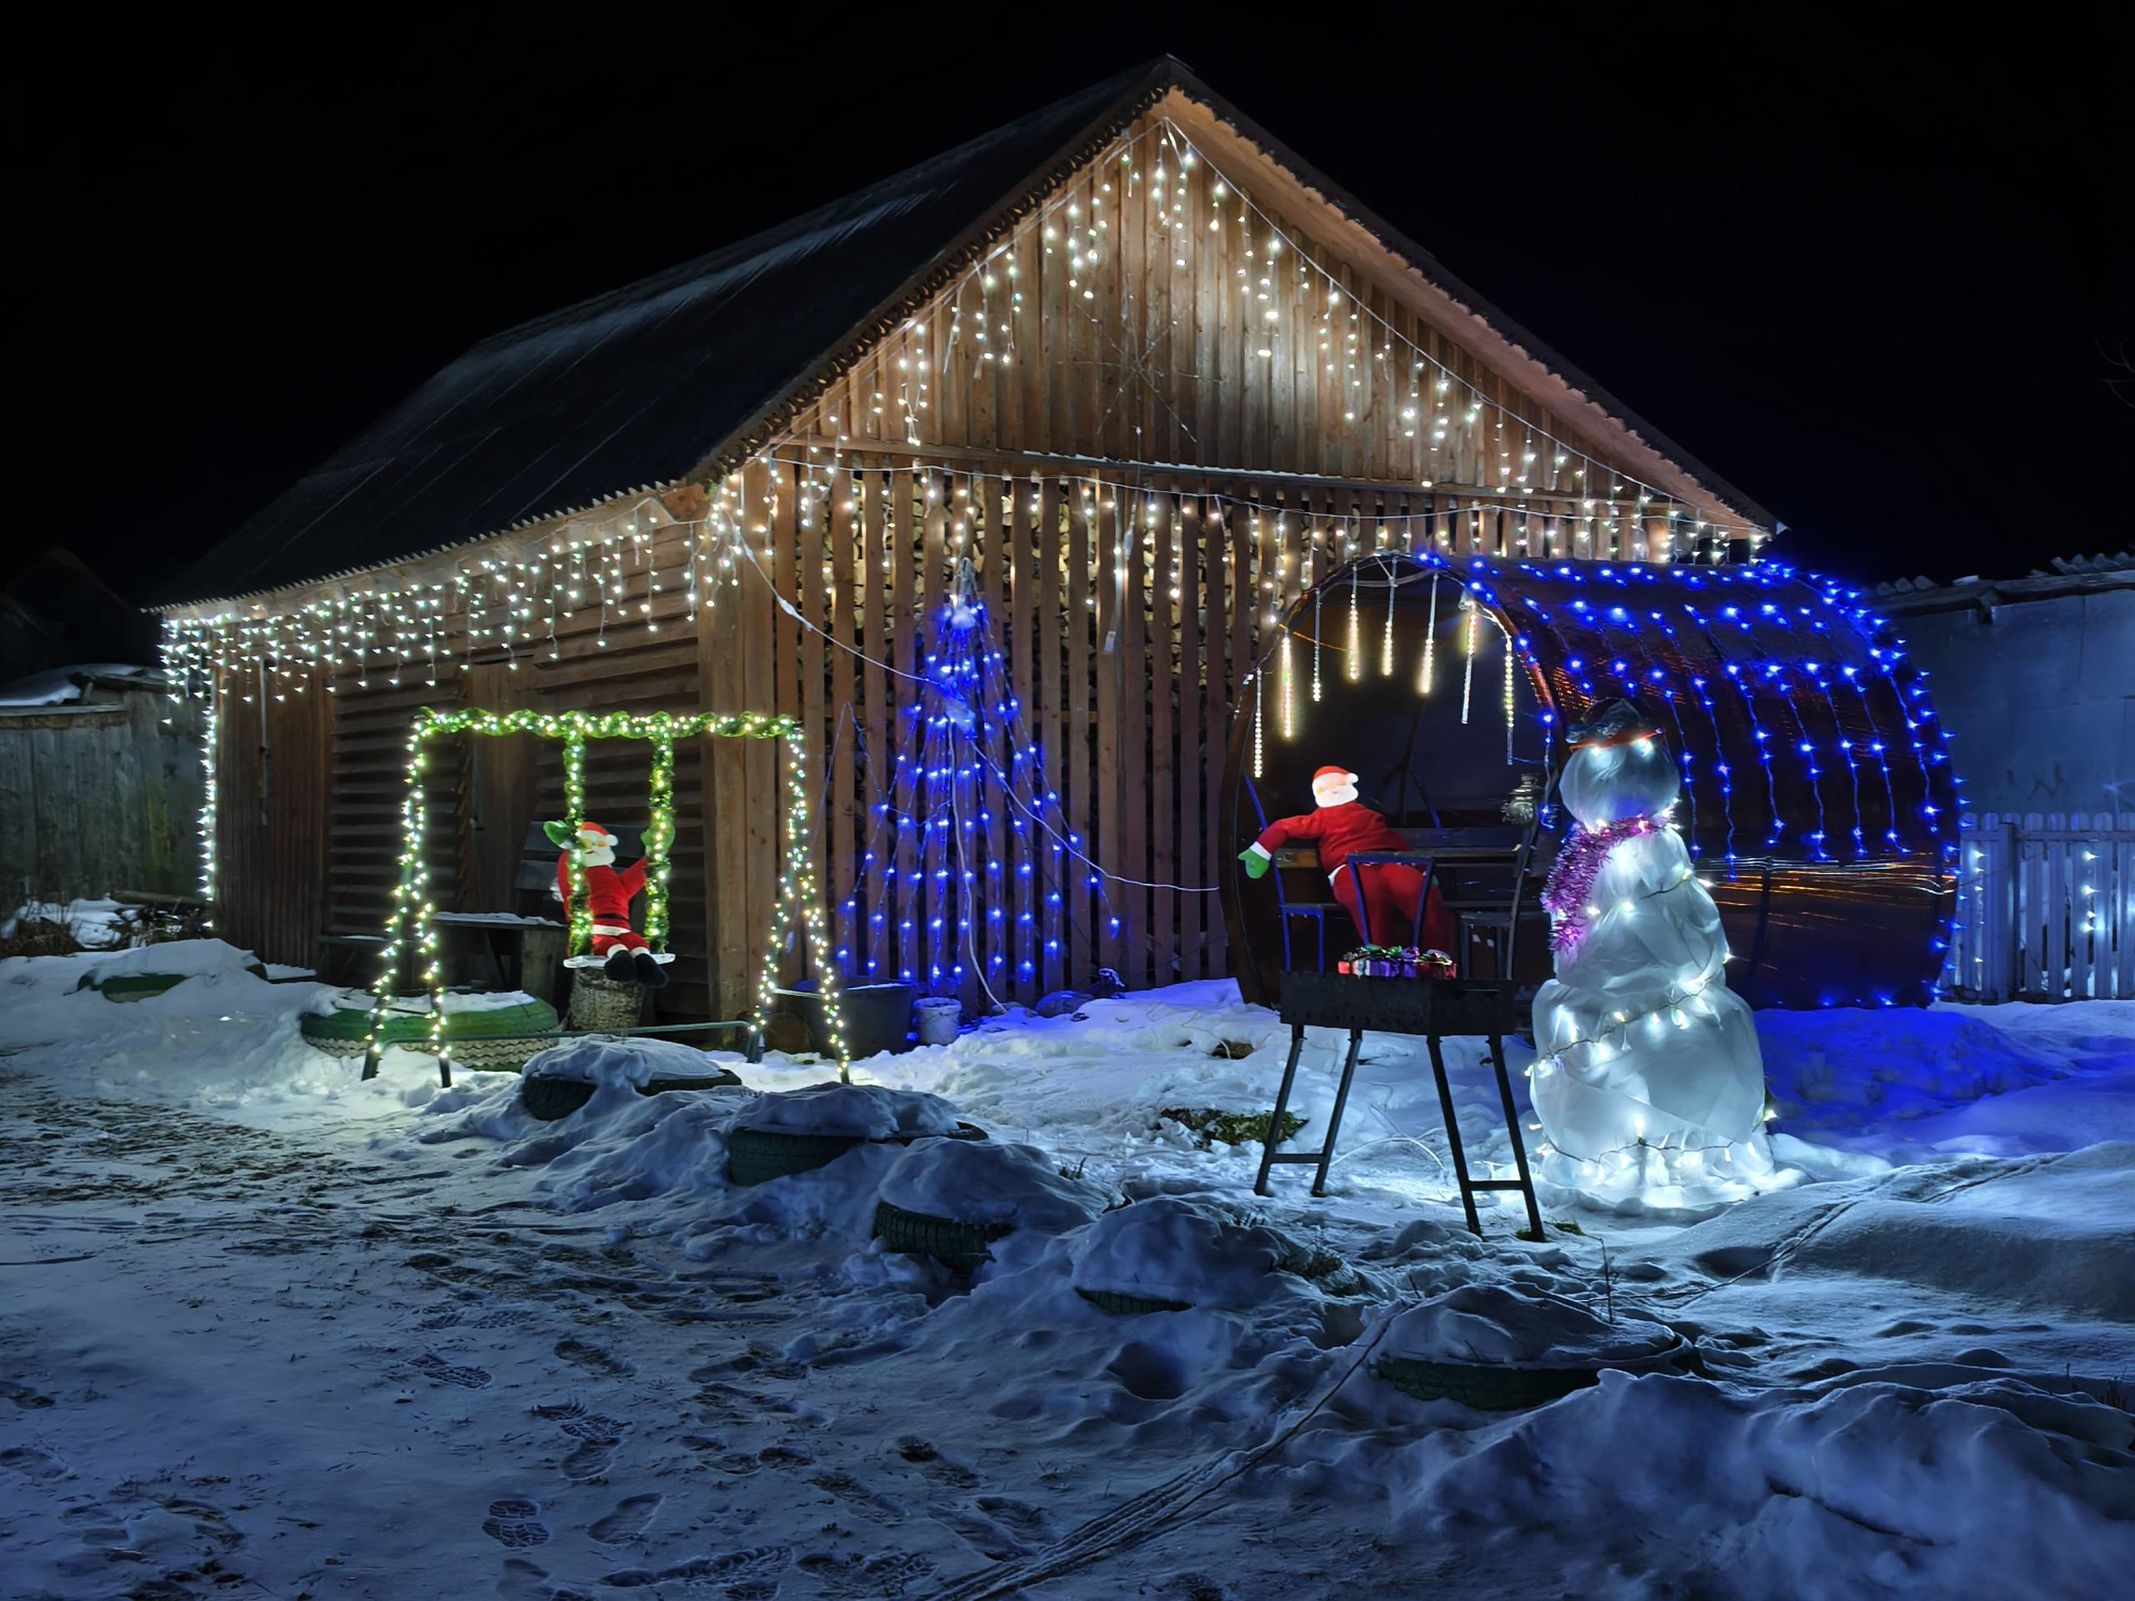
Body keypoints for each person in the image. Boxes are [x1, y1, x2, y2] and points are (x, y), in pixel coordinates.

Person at [1240, 766, 1452, 951]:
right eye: (1326, 788)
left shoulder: (1369, 815)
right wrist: (1260, 852)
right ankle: (1378, 953)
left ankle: (1437, 953)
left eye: (1339, 784)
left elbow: (1394, 841)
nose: (1334, 790)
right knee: (1367, 893)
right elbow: (1285, 827)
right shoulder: (1321, 818)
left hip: (1387, 861)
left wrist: (1421, 871)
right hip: (1351, 867)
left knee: (1415, 888)